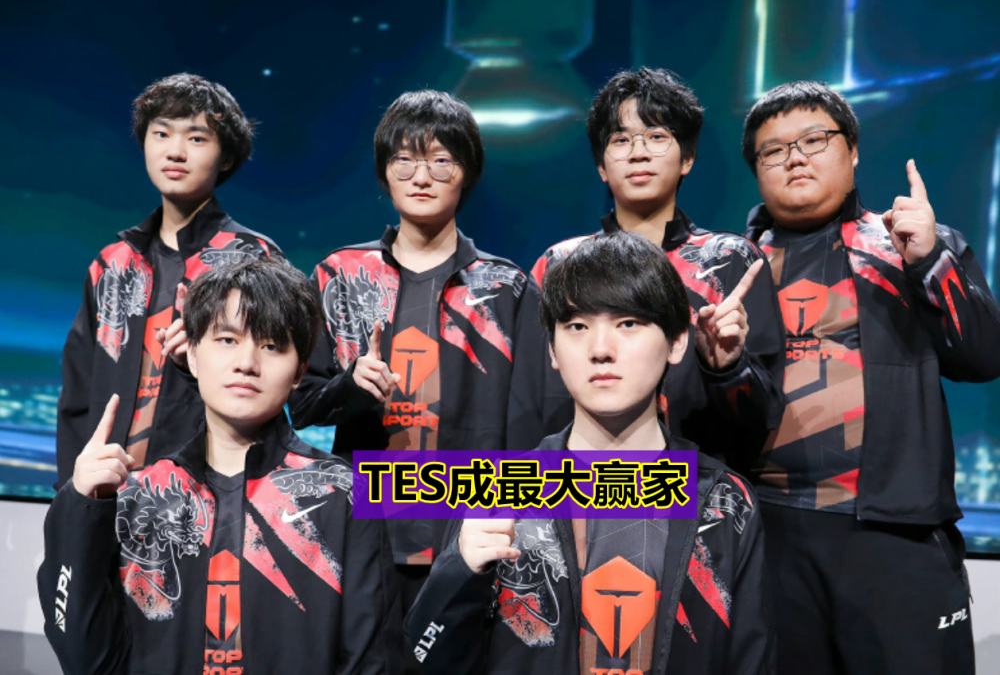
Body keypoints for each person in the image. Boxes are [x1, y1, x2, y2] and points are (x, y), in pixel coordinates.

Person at [407, 233, 774, 675]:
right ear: (552, 350)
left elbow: (751, 660)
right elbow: (422, 660)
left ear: (678, 342)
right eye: (577, 327)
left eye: (628, 323)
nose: (601, 350)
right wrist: (459, 573)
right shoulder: (497, 491)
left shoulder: (723, 502)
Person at [287, 89, 553, 670]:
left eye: (441, 160)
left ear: (467, 172)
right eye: (405, 159)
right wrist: (351, 387)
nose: (422, 176)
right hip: (365, 528)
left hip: (474, 535)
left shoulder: (506, 288)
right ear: (384, 171)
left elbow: (534, 425)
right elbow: (300, 407)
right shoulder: (338, 275)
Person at [742, 80, 1000, 675]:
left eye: (814, 140)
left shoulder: (909, 244)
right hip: (768, 530)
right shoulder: (731, 265)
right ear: (756, 169)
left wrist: (930, 260)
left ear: (853, 150)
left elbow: (984, 358)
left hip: (895, 533)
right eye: (774, 150)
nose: (795, 158)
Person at [38, 257, 399, 675]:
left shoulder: (345, 493)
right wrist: (81, 508)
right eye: (227, 339)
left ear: (300, 370)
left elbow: (372, 658)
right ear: (191, 355)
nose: (247, 362)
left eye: (271, 346)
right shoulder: (137, 498)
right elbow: (85, 657)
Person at [531, 68, 784, 470]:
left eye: (656, 137)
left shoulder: (731, 260)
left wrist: (727, 368)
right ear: (601, 166)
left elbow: (765, 416)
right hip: (580, 486)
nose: (638, 153)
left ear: (687, 158)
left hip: (698, 489)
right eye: (621, 140)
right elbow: (536, 402)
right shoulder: (559, 265)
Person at [56, 73, 282, 488]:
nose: (175, 151)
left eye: (196, 138)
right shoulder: (112, 265)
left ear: (225, 157)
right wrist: (72, 494)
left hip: (208, 496)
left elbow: (275, 385)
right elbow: (76, 396)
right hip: (105, 493)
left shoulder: (254, 260)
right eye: (161, 134)